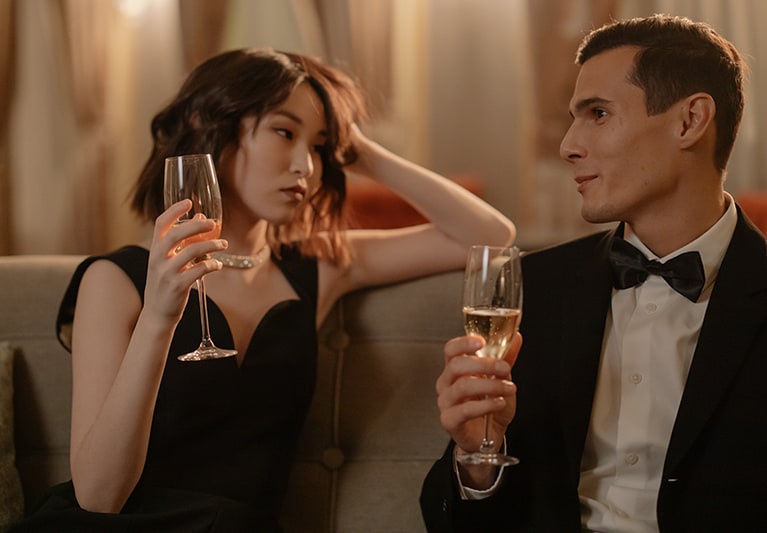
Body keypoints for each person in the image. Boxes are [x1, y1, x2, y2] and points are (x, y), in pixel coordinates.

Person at [10, 48, 515, 532]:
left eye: (318, 146)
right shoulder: (115, 280)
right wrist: (160, 317)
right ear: (214, 129)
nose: (307, 166)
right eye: (283, 131)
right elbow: (99, 497)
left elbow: (490, 236)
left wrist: (363, 152)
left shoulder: (319, 265)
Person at [421, 13, 767, 533]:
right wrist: (478, 455)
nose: (568, 145)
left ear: (689, 121)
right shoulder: (535, 290)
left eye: (597, 113)